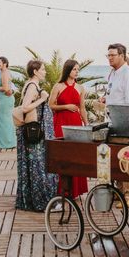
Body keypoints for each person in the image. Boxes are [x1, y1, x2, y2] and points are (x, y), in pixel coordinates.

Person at [15, 60, 58, 211]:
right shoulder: (32, 86)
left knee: (33, 164)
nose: (45, 72)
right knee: (38, 165)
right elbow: (26, 107)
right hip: (34, 132)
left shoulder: (31, 84)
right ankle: (41, 201)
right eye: (43, 69)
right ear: (35, 71)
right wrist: (42, 99)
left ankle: (30, 199)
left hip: (33, 131)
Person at [103, 43, 129, 207]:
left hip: (124, 125)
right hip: (111, 123)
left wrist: (127, 125)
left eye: (112, 55)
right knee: (114, 161)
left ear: (122, 56)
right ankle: (118, 192)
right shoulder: (112, 73)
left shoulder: (128, 75)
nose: (109, 58)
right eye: (108, 55)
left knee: (125, 160)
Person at [49, 59, 89, 198]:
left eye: (78, 69)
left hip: (76, 123)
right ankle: (61, 190)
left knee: (75, 155)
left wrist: (87, 125)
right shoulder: (58, 86)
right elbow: (51, 105)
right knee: (62, 155)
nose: (77, 72)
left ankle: (74, 190)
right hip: (61, 123)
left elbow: (82, 108)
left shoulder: (81, 88)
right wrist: (66, 107)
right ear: (68, 70)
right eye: (74, 69)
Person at [0, 56, 17, 149]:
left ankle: (6, 143)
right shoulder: (4, 72)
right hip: (5, 99)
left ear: (5, 64)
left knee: (4, 120)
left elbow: (6, 88)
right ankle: (9, 142)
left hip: (5, 99)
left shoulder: (5, 73)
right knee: (7, 120)